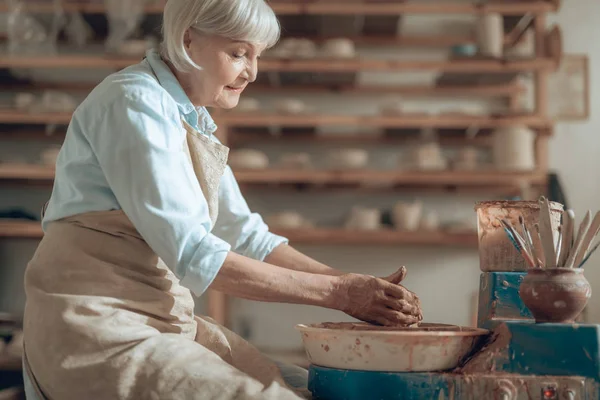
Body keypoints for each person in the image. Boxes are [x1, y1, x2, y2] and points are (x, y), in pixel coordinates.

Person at [21, 0, 423, 398]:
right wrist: (340, 295)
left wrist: (356, 286)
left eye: (257, 56)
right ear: (187, 39)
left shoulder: (191, 120)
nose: (251, 72)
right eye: (238, 53)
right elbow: (196, 254)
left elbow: (249, 238)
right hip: (99, 330)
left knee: (311, 389)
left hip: (163, 320)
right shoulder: (134, 102)